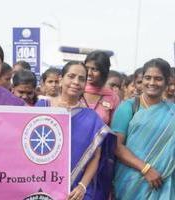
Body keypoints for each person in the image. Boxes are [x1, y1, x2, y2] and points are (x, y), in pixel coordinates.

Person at [35, 61, 116, 200]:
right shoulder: (43, 106)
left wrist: (82, 186)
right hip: (41, 185)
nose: (76, 82)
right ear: (61, 79)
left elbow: (95, 155)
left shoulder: (91, 118)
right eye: (71, 76)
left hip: (76, 192)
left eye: (81, 79)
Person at [111, 58, 175, 199]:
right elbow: (116, 145)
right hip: (131, 181)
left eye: (158, 79)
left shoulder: (172, 112)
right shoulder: (128, 107)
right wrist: (146, 169)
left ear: (167, 81)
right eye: (148, 78)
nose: (152, 83)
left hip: (164, 181)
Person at [82, 50, 119, 199]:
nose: (89, 73)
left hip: (101, 158)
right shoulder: (76, 89)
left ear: (104, 72)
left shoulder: (112, 97)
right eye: (87, 67)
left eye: (95, 69)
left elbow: (114, 131)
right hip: (75, 154)